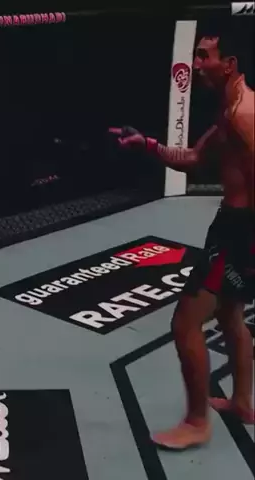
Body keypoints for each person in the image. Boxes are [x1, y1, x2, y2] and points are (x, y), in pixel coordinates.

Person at [110, 26, 254, 450]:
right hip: (236, 227)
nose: (196, 64)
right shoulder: (229, 112)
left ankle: (196, 422)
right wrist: (147, 145)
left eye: (205, 55)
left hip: (241, 233)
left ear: (229, 64)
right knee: (230, 315)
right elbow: (193, 158)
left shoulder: (244, 115)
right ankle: (243, 402)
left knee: (186, 322)